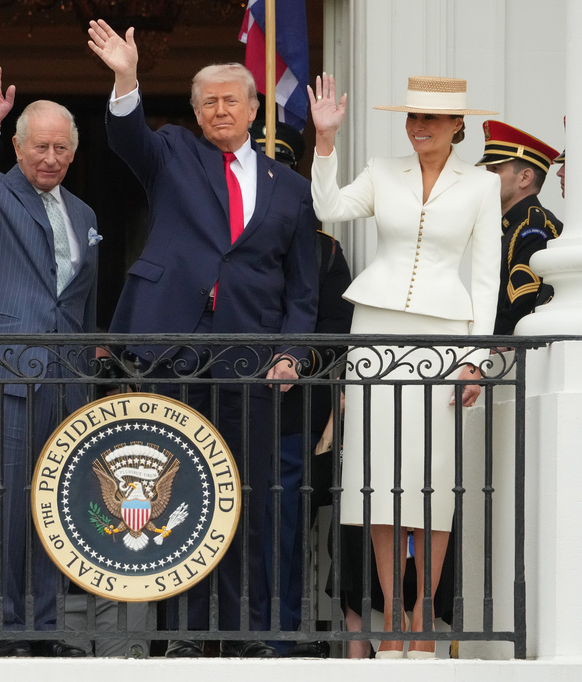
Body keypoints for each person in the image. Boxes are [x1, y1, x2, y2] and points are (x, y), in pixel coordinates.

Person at [88, 20, 319, 659]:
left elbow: (301, 290)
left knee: (249, 498)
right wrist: (126, 77)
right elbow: (126, 136)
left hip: (251, 359)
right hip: (174, 352)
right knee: (179, 495)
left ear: (253, 109)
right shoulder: (173, 153)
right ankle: (182, 637)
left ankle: (248, 635)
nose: (220, 109)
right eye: (208, 101)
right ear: (194, 112)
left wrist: (289, 354)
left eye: (231, 100)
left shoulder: (291, 189)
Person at [309, 74, 500, 658]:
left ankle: (422, 616)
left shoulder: (483, 185)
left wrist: (475, 359)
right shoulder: (380, 169)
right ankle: (389, 612)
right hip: (375, 332)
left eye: (433, 121)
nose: (419, 129)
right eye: (412, 119)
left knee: (433, 482)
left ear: (456, 127)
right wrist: (324, 142)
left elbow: (488, 275)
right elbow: (330, 207)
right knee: (376, 477)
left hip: (445, 338)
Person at [0, 66, 98, 658]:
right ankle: (7, 631)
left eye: (62, 147)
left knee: (55, 506)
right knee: (4, 504)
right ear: (18, 146)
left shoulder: (84, 214)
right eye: (41, 145)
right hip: (4, 374)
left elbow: (79, 301)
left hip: (66, 382)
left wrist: (87, 373)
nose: (52, 157)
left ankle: (47, 625)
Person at [245, 119, 352, 658]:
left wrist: (295, 361)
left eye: (281, 172)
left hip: (290, 411)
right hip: (223, 402)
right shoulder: (223, 234)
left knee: (283, 526)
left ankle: (277, 636)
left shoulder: (325, 251)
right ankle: (203, 635)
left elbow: (335, 332)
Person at [475, 121, 563, 335]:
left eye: (495, 170)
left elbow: (518, 308)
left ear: (525, 177)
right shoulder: (512, 225)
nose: (486, 178)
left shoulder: (534, 227)